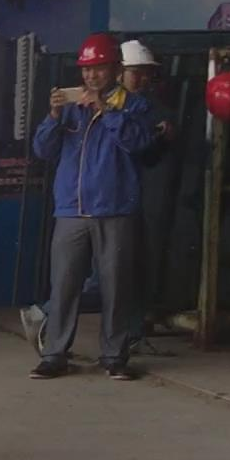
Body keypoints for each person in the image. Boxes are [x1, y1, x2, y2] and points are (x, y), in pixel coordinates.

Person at [27, 33, 171, 381]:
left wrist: (106, 111)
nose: (91, 76)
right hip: (71, 210)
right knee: (64, 286)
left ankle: (114, 357)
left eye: (99, 68)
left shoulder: (134, 105)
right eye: (86, 69)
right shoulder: (71, 105)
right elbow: (43, 150)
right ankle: (54, 355)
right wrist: (53, 115)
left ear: (116, 69)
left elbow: (139, 142)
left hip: (115, 209)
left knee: (116, 287)